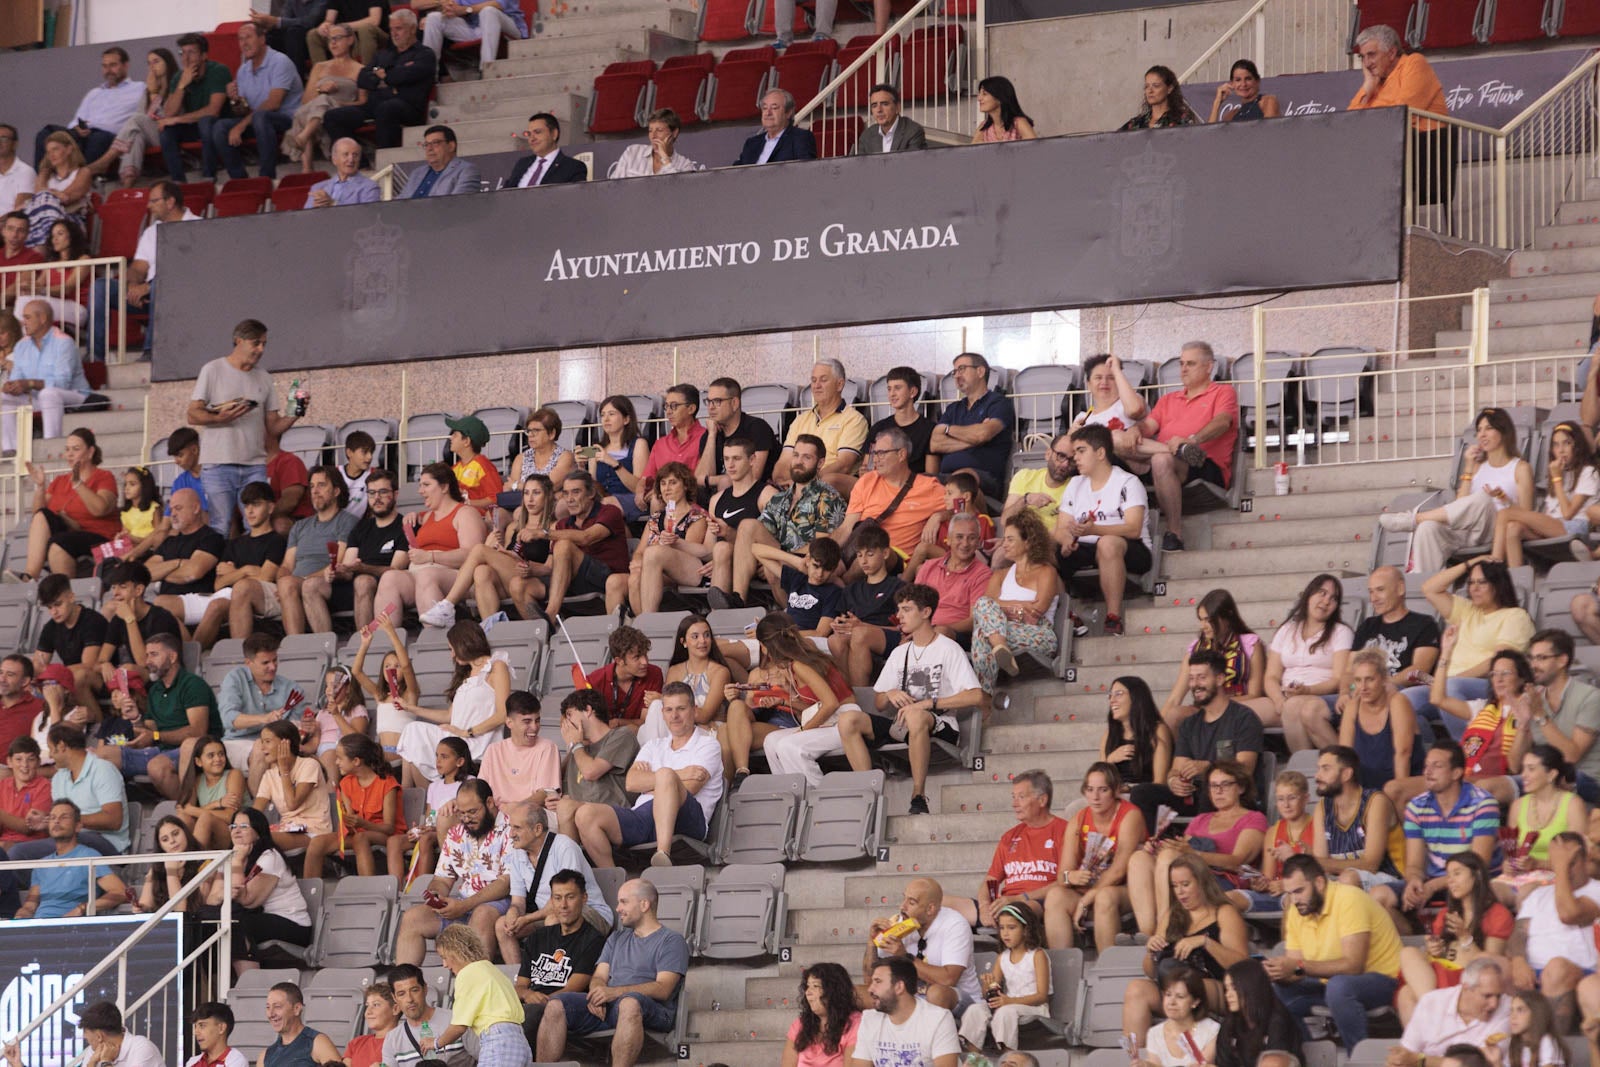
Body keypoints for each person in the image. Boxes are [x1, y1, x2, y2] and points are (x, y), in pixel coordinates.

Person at [847, 584, 980, 811]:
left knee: (917, 716)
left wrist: (931, 703)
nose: (899, 616)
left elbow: (976, 696)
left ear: (926, 612)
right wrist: (890, 693)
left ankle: (918, 795)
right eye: (899, 609)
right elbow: (879, 703)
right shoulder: (899, 652)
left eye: (906, 609)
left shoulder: (949, 649)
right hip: (902, 724)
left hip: (941, 723)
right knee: (848, 719)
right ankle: (869, 798)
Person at [534, 877, 690, 1067]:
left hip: (653, 1010)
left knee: (630, 1003)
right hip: (611, 1005)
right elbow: (599, 976)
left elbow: (663, 988)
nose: (617, 908)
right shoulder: (616, 938)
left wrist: (613, 992)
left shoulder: (671, 941)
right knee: (556, 1004)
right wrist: (597, 994)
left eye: (624, 902)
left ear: (644, 904)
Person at [573, 682, 721, 867]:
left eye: (681, 709)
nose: (674, 716)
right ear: (663, 714)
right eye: (668, 710)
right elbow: (631, 783)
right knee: (585, 814)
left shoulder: (708, 745)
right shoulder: (653, 746)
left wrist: (658, 780)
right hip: (643, 815)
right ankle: (613, 878)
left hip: (687, 819)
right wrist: (679, 775)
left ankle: (662, 855)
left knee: (666, 775)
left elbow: (690, 787)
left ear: (694, 710)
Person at [1263, 854, 1402, 1050]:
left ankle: (1358, 1059)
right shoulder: (1297, 910)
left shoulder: (1349, 898)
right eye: (1289, 893)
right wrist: (1278, 972)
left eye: (1299, 891)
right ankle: (1313, 1055)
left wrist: (1298, 967)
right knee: (1277, 990)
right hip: (1330, 984)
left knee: (1339, 987)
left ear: (1319, 883)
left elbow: (1353, 966)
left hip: (1384, 981)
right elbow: (1296, 968)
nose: (1294, 900)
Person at [1380, 409, 1534, 576]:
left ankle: (1414, 519)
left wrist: (1503, 499)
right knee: (1428, 528)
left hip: (1495, 528)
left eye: (1488, 428)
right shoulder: (1476, 467)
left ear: (1504, 431)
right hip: (1466, 531)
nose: (1482, 434)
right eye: (1479, 430)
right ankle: (1423, 586)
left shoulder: (1520, 468)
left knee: (1483, 497)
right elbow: (1459, 505)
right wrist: (1468, 466)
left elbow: (1526, 514)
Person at [188, 320, 301, 537]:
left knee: (257, 526)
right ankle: (221, 570)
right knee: (221, 525)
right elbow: (192, 414)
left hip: (254, 464)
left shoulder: (265, 378)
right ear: (238, 341)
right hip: (218, 463)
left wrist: (295, 413)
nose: (261, 349)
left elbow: (274, 427)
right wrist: (220, 417)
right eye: (256, 343)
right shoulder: (213, 370)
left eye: (264, 344)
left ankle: (255, 569)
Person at [722, 612, 857, 787]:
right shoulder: (793, 663)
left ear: (763, 646)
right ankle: (789, 792)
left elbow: (830, 703)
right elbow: (815, 704)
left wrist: (803, 730)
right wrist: (784, 698)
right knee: (771, 742)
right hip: (828, 719)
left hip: (844, 719)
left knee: (788, 744)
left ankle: (817, 791)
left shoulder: (799, 664)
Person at [1131, 650, 1265, 826]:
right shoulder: (1189, 724)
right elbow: (1176, 769)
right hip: (1194, 796)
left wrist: (1208, 768)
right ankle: (1153, 845)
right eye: (1192, 679)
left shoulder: (1244, 718)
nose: (1195, 684)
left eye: (1201, 677)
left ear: (1219, 679)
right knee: (1142, 793)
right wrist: (1173, 781)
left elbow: (1245, 769)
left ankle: (1199, 845)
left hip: (1233, 796)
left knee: (1211, 789)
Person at [1129, 763, 1265, 934]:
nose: (1218, 791)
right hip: (1190, 876)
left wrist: (1193, 854)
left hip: (1226, 879)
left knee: (1169, 857)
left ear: (1241, 787)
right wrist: (1159, 848)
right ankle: (1148, 931)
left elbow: (1237, 861)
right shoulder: (1201, 819)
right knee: (1140, 858)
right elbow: (1182, 850)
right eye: (1213, 785)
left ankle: (1165, 929)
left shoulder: (1253, 818)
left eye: (1225, 784)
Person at [1377, 740, 1501, 922]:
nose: (1427, 772)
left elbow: (1477, 864)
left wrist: (1433, 886)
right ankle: (1417, 935)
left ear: (1456, 773)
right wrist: (1414, 881)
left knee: (1470, 891)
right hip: (1435, 882)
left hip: (1475, 882)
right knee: (1378, 896)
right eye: (1426, 766)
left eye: (1437, 766)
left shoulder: (1483, 804)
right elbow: (1414, 864)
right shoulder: (1416, 806)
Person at [394, 778, 515, 965]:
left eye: (473, 812)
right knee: (412, 918)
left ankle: (474, 988)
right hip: (464, 902)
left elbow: (506, 883)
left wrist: (465, 905)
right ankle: (404, 987)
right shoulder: (456, 833)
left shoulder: (511, 830)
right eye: (462, 813)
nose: (467, 819)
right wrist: (437, 896)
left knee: (482, 914)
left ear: (490, 803)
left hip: (500, 901)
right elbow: (442, 879)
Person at [718, 435, 846, 609]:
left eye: (807, 457)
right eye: (796, 455)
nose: (799, 461)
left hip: (808, 562)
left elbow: (822, 546)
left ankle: (793, 614)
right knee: (748, 525)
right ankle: (738, 599)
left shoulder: (828, 497)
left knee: (774, 568)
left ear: (820, 463)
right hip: (779, 557)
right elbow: (755, 535)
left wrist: (777, 558)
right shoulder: (780, 498)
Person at [1137, 342, 1238, 552]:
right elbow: (1148, 427)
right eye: (1181, 363)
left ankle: (1175, 534)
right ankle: (1172, 450)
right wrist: (1133, 432)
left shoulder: (1223, 392)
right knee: (1117, 440)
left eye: (1190, 364)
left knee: (1160, 459)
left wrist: (1192, 440)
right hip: (1168, 456)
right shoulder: (1168, 399)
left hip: (1205, 463)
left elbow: (1222, 422)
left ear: (1209, 366)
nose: (1183, 369)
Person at [1419, 557, 1535, 737]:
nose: (1474, 588)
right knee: (1403, 699)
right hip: (1449, 684)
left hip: (1487, 684)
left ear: (1498, 585)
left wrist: (1449, 680)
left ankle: (1467, 752)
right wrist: (1471, 563)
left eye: (1482, 582)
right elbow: (1429, 588)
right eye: (1471, 582)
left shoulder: (1515, 616)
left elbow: (1499, 662)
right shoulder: (1466, 610)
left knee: (1451, 688)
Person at [1057, 423, 1152, 635]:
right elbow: (1061, 527)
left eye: (1081, 451)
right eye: (1075, 453)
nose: (1075, 458)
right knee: (1042, 549)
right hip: (1087, 544)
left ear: (1100, 453)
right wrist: (1064, 541)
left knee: (1107, 543)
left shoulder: (1127, 482)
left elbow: (1134, 528)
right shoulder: (1075, 484)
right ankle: (1069, 616)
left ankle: (1113, 617)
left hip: (1132, 548)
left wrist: (1095, 530)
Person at [1395, 851, 1512, 1023]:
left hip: (1467, 978)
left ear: (1477, 874)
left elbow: (1490, 964)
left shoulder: (1498, 914)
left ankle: (1435, 1015)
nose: (1450, 880)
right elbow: (1440, 954)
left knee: (1407, 993)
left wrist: (1465, 937)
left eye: (1457, 873)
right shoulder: (1445, 914)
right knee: (1408, 953)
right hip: (1440, 976)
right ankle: (1433, 1013)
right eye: (1448, 875)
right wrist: (1434, 950)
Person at [99, 632, 217, 800]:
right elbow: (149, 731)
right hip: (160, 750)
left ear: (173, 656)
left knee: (157, 767)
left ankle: (187, 810)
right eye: (147, 655)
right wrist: (135, 718)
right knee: (101, 755)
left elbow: (197, 732)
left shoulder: (192, 685)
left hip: (191, 750)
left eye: (154, 655)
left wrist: (155, 735)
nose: (147, 661)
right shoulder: (155, 690)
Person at [1044, 763, 1147, 951]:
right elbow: (1062, 876)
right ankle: (1063, 969)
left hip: (1124, 890)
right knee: (1054, 896)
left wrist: (1087, 898)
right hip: (1086, 891)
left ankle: (1105, 970)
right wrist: (1071, 877)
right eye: (1090, 790)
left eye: (1103, 790)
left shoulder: (1130, 814)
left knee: (1104, 897)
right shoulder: (1079, 818)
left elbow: (1118, 870)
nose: (1095, 797)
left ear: (1116, 790)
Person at [396, 622, 510, 785]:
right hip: (457, 737)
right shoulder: (466, 675)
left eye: (452, 649)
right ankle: (416, 798)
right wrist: (409, 707)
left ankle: (420, 801)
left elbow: (503, 714)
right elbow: (448, 715)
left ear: (463, 644)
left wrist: (466, 732)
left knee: (413, 734)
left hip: (476, 742)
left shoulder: (496, 666)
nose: (452, 655)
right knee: (412, 738)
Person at [496, 810, 611, 965]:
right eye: (510, 827)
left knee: (554, 920)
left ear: (537, 829)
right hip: (547, 915)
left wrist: (526, 919)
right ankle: (519, 980)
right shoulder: (517, 854)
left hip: (589, 912)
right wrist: (513, 914)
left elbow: (566, 900)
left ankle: (554, 981)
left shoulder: (564, 846)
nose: (511, 834)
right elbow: (518, 901)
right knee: (502, 925)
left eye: (517, 828)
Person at [1509, 833, 1600, 1025]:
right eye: (1558, 862)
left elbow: (1568, 914)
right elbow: (1518, 933)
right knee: (1487, 967)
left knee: (1556, 968)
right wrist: (1518, 961)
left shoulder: (1596, 890)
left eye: (1571, 862)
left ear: (1585, 860)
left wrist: (1559, 867)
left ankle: (1551, 1048)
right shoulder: (1538, 895)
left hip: (1577, 972)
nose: (1566, 869)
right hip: (1532, 971)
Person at [379, 463, 487, 622]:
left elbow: (471, 554)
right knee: (390, 578)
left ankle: (435, 640)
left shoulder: (465, 513)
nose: (420, 491)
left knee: (426, 576)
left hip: (458, 577)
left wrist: (430, 557)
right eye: (420, 485)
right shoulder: (426, 516)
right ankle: (386, 641)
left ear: (444, 487)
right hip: (420, 572)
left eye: (426, 485)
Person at [968, 510, 1062, 695]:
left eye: (1010, 539)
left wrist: (1003, 607)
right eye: (1004, 539)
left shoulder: (1046, 571)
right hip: (1005, 630)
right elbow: (984, 606)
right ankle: (1000, 646)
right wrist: (1021, 606)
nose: (1004, 544)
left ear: (1027, 542)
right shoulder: (1000, 575)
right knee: (982, 606)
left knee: (982, 631)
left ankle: (984, 698)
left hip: (1040, 634)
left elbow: (1037, 611)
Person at [864, 876, 983, 1018]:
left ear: (930, 909)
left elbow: (949, 980)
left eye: (911, 902)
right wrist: (872, 942)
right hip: (911, 996)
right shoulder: (901, 921)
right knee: (854, 994)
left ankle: (924, 1039)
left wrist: (904, 956)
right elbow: (870, 981)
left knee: (936, 993)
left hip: (959, 999)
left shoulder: (955, 925)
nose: (903, 907)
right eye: (904, 899)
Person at [506, 868, 606, 1038]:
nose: (563, 905)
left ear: (584, 898)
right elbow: (521, 985)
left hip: (563, 1006)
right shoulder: (538, 937)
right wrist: (528, 994)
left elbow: (573, 988)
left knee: (527, 1017)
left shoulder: (593, 940)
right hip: (530, 1005)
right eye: (557, 898)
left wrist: (540, 1000)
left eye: (570, 897)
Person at [6, 431, 116, 585]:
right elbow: (39, 514)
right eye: (67, 449)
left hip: (100, 539)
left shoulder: (104, 477)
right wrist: (40, 487)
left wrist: (78, 484)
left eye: (75, 449)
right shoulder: (59, 481)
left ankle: (64, 595)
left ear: (90, 452)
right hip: (68, 535)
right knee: (45, 519)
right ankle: (30, 576)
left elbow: (100, 509)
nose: (69, 454)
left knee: (59, 543)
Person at [323, 9, 434, 152]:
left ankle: (386, 160)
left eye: (398, 28)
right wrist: (385, 78)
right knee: (332, 116)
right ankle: (359, 162)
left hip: (408, 107)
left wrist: (384, 75)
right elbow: (363, 79)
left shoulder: (424, 54)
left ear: (412, 29)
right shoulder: (384, 54)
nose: (394, 33)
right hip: (375, 105)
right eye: (391, 29)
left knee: (387, 108)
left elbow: (402, 76)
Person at [1508, 629, 1600, 801]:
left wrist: (1540, 715)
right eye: (1532, 658)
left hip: (1586, 782)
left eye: (1541, 658)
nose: (1533, 665)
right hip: (1544, 779)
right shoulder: (1533, 700)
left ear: (1562, 660)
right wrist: (1523, 725)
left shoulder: (1591, 697)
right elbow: (1514, 766)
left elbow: (1572, 756)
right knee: (1491, 788)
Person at [192, 482, 286, 649]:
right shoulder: (235, 544)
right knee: (216, 605)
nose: (249, 511)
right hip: (239, 598)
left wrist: (235, 573)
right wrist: (246, 570)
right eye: (246, 505)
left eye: (256, 505)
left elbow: (266, 577)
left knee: (242, 587)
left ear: (271, 508)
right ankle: (191, 659)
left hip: (268, 598)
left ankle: (239, 653)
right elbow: (218, 584)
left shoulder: (276, 541)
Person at [1491, 422, 1597, 567]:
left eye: (1567, 443)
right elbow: (1548, 514)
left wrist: (1557, 479)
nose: (1561, 450)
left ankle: (1493, 563)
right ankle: (1517, 580)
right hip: (1553, 525)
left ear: (1577, 446)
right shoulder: (1558, 473)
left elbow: (1568, 514)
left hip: (1575, 527)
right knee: (1513, 528)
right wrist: (1505, 499)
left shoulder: (1588, 472)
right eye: (1556, 445)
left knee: (1504, 514)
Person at [222, 807, 315, 972]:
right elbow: (212, 898)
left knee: (237, 922)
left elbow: (247, 900)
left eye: (244, 826)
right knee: (210, 921)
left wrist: (237, 863)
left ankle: (250, 983)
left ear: (258, 832)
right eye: (233, 827)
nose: (236, 831)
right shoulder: (231, 856)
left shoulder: (270, 857)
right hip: (264, 920)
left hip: (293, 924)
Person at [1162, 590, 1270, 729]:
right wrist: (1155, 728)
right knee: (1174, 715)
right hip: (1203, 709)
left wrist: (1218, 703)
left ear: (1227, 616)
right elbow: (1175, 698)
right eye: (1201, 620)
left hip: (1239, 706)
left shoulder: (1250, 643)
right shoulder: (1196, 648)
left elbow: (1255, 694)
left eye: (1209, 620)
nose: (1203, 626)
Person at [1270, 573, 1355, 745]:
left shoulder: (1341, 632)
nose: (1326, 601)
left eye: (1333, 598)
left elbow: (1338, 679)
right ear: (1309, 595)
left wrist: (1307, 691)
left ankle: (1304, 768)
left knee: (1293, 707)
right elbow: (1271, 676)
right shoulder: (1287, 630)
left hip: (1319, 695)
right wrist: (1278, 699)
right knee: (1242, 712)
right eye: (1322, 593)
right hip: (1283, 695)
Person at [613, 462, 708, 616]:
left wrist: (660, 549)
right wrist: (637, 562)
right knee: (628, 579)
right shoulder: (656, 517)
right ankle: (643, 626)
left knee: (650, 559)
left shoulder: (696, 516)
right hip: (651, 569)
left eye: (672, 483)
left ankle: (647, 623)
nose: (666, 488)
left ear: (685, 486)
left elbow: (689, 553)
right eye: (663, 483)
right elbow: (639, 552)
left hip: (683, 570)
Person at [430, 925, 533, 1067]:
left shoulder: (467, 974)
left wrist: (435, 1043)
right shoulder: (493, 970)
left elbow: (459, 1027)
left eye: (444, 957)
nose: (445, 965)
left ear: (456, 951)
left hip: (499, 1042)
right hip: (521, 1043)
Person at [213, 23, 303, 181]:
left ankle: (266, 177)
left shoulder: (280, 61)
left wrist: (240, 126)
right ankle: (239, 179)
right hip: (258, 121)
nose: (244, 43)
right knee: (220, 127)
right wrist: (235, 100)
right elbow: (243, 111)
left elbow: (273, 104)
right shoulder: (243, 70)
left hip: (288, 119)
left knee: (261, 117)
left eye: (248, 37)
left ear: (262, 39)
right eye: (240, 39)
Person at [304, 733, 402, 877]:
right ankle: (309, 892)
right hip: (358, 833)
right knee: (318, 842)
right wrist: (347, 822)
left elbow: (389, 828)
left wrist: (363, 824)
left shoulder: (387, 783)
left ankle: (366, 890)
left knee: (360, 838)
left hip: (385, 835)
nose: (336, 762)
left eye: (340, 758)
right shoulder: (345, 783)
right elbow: (351, 822)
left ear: (356, 761)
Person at [1310, 745, 1406, 892]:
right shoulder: (1322, 808)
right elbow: (1321, 864)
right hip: (1343, 880)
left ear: (1346, 774)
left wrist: (1315, 862)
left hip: (1390, 879)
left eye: (1326, 769)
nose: (1317, 776)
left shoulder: (1375, 802)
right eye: (1319, 769)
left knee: (1349, 879)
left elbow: (1371, 864)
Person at [0, 301, 89, 457]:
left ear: (42, 318)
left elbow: (62, 383)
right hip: (35, 399)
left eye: (27, 318)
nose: (23, 322)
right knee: (4, 397)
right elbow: (17, 378)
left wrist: (30, 383)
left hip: (74, 395)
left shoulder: (63, 342)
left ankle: (51, 446)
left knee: (48, 394)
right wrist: (11, 386)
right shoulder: (22, 345)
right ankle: (11, 451)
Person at [11, 800, 127, 918]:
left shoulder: (88, 857)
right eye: (52, 817)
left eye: (64, 817)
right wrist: (21, 915)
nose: (56, 821)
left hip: (72, 928)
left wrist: (82, 908)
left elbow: (120, 892)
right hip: (40, 927)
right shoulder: (42, 864)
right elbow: (30, 905)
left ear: (78, 826)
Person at [32, 48, 146, 168]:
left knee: (98, 138)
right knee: (46, 133)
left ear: (126, 65)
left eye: (113, 65)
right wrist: (77, 127)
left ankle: (82, 179)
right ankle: (41, 180)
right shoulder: (94, 93)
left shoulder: (139, 89)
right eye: (105, 66)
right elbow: (76, 120)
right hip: (83, 133)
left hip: (109, 136)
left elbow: (144, 116)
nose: (108, 70)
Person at [959, 904, 1050, 1052]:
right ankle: (973, 1058)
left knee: (1005, 1012)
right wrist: (989, 986)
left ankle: (1008, 1056)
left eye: (1011, 928)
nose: (1005, 933)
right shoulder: (1002, 957)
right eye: (1002, 928)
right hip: (1009, 1005)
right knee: (975, 1010)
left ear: (1026, 930)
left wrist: (1009, 1001)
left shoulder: (1037, 955)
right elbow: (986, 994)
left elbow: (1042, 996)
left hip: (1034, 1008)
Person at [1389, 958, 1509, 1066]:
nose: (1494, 1004)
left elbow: (1476, 1062)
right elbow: (1407, 1052)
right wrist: (1400, 1060)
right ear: (1466, 988)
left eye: (1498, 996)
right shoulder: (1432, 1001)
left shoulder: (1507, 1009)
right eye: (1487, 996)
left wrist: (1422, 1060)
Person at [543, 471, 630, 621]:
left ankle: (550, 615)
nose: (569, 499)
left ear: (591, 493)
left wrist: (543, 533)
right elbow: (550, 566)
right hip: (574, 581)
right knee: (520, 584)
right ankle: (541, 631)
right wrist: (524, 567)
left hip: (608, 578)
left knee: (564, 545)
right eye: (566, 494)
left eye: (576, 492)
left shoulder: (610, 512)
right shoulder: (563, 524)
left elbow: (586, 538)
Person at [85, 48, 178, 186]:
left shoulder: (177, 85)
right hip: (152, 134)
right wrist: (151, 92)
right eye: (149, 63)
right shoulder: (148, 90)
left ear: (168, 63)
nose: (152, 67)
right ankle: (127, 184)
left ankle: (107, 160)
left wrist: (153, 94)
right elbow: (144, 118)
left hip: (171, 134)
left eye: (156, 62)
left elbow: (166, 116)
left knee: (135, 119)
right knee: (135, 135)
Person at [1356, 565, 1441, 715]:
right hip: (1363, 690)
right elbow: (1350, 668)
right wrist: (1347, 690)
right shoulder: (1367, 626)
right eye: (1371, 592)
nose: (1373, 598)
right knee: (1311, 708)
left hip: (1402, 691)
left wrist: (1378, 686)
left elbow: (1420, 669)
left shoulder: (1424, 624)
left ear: (1400, 588)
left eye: (1380, 590)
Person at [847, 955, 960, 1067]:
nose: (870, 989)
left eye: (878, 981)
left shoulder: (938, 1019)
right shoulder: (869, 1019)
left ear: (899, 987)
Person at [1337, 647, 1424, 792]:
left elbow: (1403, 754)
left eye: (1370, 679)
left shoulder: (1398, 702)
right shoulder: (1353, 706)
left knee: (1391, 789)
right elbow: (1345, 756)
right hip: (1367, 787)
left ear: (1383, 679)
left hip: (1401, 785)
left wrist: (1398, 795)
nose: (1363, 687)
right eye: (1358, 680)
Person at [553, 689, 638, 834]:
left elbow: (591, 772)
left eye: (569, 714)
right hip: (579, 815)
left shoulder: (621, 735)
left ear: (588, 710)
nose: (567, 723)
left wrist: (575, 745)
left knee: (566, 808)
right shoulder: (577, 751)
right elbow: (569, 793)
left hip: (613, 814)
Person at [930, 352, 1014, 498]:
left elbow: (983, 434)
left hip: (983, 480)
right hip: (946, 478)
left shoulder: (999, 403)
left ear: (980, 371)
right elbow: (935, 443)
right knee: (915, 483)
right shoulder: (953, 408)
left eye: (962, 369)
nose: (956, 375)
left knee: (961, 480)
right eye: (954, 372)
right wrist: (974, 440)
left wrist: (948, 429)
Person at [284, 26, 365, 173]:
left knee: (323, 102)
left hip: (340, 111)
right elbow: (306, 101)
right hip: (315, 112)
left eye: (337, 38)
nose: (333, 43)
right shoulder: (320, 67)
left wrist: (340, 103)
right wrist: (321, 90)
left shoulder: (360, 69)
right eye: (329, 40)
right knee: (320, 101)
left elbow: (362, 103)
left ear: (350, 39)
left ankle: (306, 164)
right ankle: (306, 165)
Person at [336, 468, 406, 630]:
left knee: (363, 581)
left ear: (395, 495)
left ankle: (365, 642)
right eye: (372, 493)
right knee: (312, 585)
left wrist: (364, 568)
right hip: (354, 587)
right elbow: (348, 566)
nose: (377, 498)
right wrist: (337, 571)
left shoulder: (405, 526)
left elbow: (395, 570)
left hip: (389, 588)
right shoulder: (360, 528)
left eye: (382, 492)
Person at [159, 34, 231, 181]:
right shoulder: (180, 77)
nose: (185, 58)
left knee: (206, 122)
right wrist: (182, 85)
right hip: (193, 125)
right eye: (182, 53)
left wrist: (177, 119)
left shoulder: (219, 71)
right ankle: (178, 181)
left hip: (218, 124)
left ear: (204, 55)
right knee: (167, 131)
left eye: (191, 52)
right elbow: (169, 113)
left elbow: (213, 110)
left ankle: (209, 176)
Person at [251, 719, 329, 856]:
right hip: (286, 829)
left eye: (267, 741)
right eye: (262, 742)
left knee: (261, 840)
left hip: (314, 831)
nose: (262, 748)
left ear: (285, 743)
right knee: (246, 836)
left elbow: (292, 803)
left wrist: (284, 770)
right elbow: (255, 813)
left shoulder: (309, 765)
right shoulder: (269, 775)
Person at [915, 512, 991, 642]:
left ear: (978, 542)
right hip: (918, 630)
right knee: (867, 632)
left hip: (954, 635)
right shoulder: (929, 566)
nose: (965, 543)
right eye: (959, 537)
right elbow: (913, 605)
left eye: (971, 538)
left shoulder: (983, 574)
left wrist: (931, 630)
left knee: (940, 632)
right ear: (948, 539)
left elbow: (974, 620)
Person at [698, 378, 780, 491]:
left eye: (717, 401)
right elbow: (700, 480)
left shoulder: (757, 428)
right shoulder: (710, 434)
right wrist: (712, 435)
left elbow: (753, 477)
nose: (710, 407)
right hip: (719, 498)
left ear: (734, 403)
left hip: (756, 496)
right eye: (708, 401)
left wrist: (718, 480)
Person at [1214, 960, 1301, 1067]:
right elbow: (1223, 1062)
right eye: (1226, 989)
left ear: (1251, 986)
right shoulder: (1230, 1023)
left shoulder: (1277, 1021)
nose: (1228, 995)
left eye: (1234, 988)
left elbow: (1275, 1063)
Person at [477, 693, 559, 805]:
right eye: (527, 722)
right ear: (510, 723)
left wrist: (515, 809)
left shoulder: (547, 747)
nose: (535, 727)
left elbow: (544, 793)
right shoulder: (493, 750)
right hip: (496, 812)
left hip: (529, 812)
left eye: (537, 721)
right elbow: (480, 791)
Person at [1348, 24, 1448, 115]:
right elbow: (1349, 122)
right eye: (1362, 57)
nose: (1366, 63)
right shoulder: (1374, 82)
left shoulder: (1414, 62)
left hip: (1422, 134)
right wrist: (1368, 84)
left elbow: (1401, 113)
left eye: (1371, 55)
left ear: (1391, 53)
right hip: (1385, 133)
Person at [385, 964, 472, 1067]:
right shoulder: (392, 1039)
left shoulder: (456, 1021)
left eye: (414, 990)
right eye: (401, 994)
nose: (409, 999)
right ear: (394, 998)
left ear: (425, 989)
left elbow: (489, 1059)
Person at [782, 961, 862, 1067]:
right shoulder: (800, 1024)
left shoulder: (855, 1024)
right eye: (807, 986)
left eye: (815, 986)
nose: (808, 992)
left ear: (834, 991)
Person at [1139, 966, 1218, 1067]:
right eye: (1168, 995)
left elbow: (1202, 1064)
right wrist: (1146, 1065)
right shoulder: (1154, 1033)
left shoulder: (1211, 1030)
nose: (1171, 1002)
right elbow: (1155, 1064)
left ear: (1195, 1002)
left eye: (1180, 997)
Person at [176, 735, 246, 850]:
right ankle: (178, 863)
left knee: (205, 818)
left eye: (221, 754)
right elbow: (184, 811)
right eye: (211, 755)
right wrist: (216, 804)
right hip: (207, 833)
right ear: (199, 762)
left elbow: (230, 817)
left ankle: (196, 864)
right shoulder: (197, 780)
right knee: (184, 818)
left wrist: (193, 810)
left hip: (235, 831)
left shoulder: (234, 775)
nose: (218, 759)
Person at [584, 626, 663, 727]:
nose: (645, 662)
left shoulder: (654, 673)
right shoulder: (594, 680)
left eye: (645, 655)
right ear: (619, 661)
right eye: (637, 657)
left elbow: (646, 723)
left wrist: (618, 723)